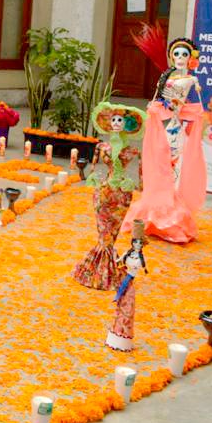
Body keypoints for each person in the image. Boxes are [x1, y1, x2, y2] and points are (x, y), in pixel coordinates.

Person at [122, 38, 206, 243]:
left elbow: (186, 106)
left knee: (173, 170)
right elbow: (159, 102)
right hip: (166, 127)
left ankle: (170, 219)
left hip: (176, 128)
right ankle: (157, 217)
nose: (179, 58)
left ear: (191, 58)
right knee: (161, 168)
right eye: (176, 54)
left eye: (184, 55)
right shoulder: (167, 78)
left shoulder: (189, 81)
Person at [73, 103, 144, 290]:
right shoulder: (101, 146)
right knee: (103, 231)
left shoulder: (132, 150)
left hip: (122, 194)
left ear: (127, 124)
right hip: (103, 190)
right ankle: (98, 268)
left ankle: (105, 269)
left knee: (112, 232)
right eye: (113, 119)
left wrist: (138, 185)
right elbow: (93, 168)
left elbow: (141, 172)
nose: (116, 123)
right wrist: (92, 177)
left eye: (120, 120)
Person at [107, 220, 148, 352]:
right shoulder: (128, 253)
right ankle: (117, 331)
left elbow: (140, 267)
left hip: (130, 279)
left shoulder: (140, 258)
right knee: (123, 302)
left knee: (127, 300)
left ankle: (123, 334)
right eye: (135, 242)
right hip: (125, 275)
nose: (137, 244)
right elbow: (119, 261)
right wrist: (116, 260)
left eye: (139, 242)